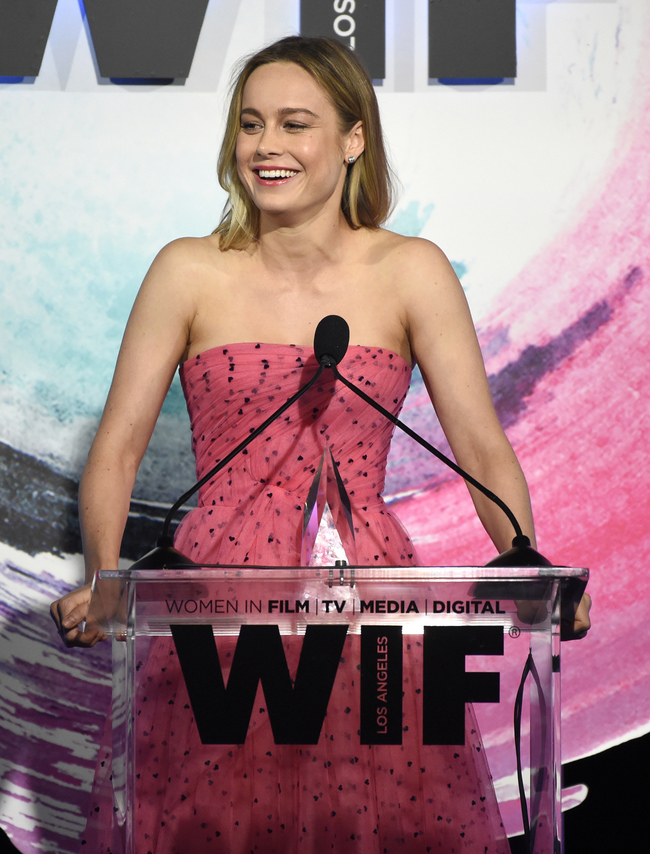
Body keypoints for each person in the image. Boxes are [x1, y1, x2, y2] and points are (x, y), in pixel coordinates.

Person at [51, 35, 591, 853]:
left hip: (373, 603)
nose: (266, 147)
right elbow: (118, 449)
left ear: (352, 138)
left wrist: (529, 561)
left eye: (294, 124)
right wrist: (106, 581)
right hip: (211, 602)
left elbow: (481, 450)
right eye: (251, 124)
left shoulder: (412, 271)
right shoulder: (187, 272)